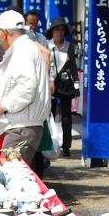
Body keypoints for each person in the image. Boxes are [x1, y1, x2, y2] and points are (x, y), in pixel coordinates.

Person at [0, 10, 51, 165]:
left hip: (21, 127)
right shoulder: (25, 47)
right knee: (17, 176)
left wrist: (3, 105)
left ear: (4, 33)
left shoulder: (23, 49)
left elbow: (26, 88)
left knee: (12, 176)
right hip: (23, 125)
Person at [46, 17, 79, 157]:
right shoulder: (46, 46)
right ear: (52, 31)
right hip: (50, 84)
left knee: (66, 117)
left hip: (65, 85)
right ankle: (49, 144)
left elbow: (73, 67)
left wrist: (76, 84)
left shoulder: (69, 47)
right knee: (49, 114)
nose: (59, 33)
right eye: (57, 29)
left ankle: (66, 146)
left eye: (62, 30)